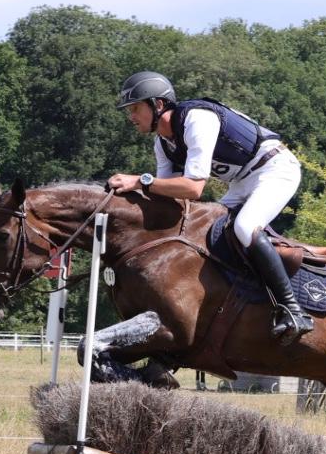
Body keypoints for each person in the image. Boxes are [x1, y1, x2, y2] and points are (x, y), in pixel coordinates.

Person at [108, 71, 314, 343]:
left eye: (135, 108)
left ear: (158, 105)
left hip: (274, 168)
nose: (131, 117)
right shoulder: (163, 144)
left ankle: (293, 310)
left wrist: (139, 180)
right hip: (242, 181)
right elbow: (166, 192)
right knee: (207, 231)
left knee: (244, 226)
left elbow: (193, 189)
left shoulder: (196, 118)